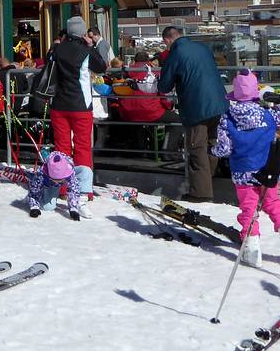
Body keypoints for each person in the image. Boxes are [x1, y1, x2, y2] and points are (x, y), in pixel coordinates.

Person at [211, 71, 280, 267]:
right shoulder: (267, 113)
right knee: (273, 203)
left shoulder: (227, 118)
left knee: (249, 209)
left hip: (243, 171)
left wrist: (213, 149)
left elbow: (225, 149)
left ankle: (252, 250)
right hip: (268, 168)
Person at [157, 26, 228, 202]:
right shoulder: (202, 47)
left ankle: (200, 193)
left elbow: (164, 86)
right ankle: (207, 181)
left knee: (197, 148)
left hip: (197, 107)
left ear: (167, 40)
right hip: (218, 102)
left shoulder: (175, 54)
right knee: (212, 143)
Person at [49, 15, 107, 212]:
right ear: (82, 32)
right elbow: (101, 67)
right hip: (81, 105)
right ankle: (83, 190)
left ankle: (62, 187)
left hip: (59, 104)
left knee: (62, 147)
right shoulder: (86, 50)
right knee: (82, 147)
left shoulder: (57, 49)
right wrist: (90, 45)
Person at [116, 51, 183, 158]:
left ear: (135, 60)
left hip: (128, 111)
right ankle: (167, 151)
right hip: (150, 111)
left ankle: (140, 148)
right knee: (177, 120)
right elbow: (163, 94)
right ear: (148, 60)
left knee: (138, 123)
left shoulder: (125, 71)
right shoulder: (154, 72)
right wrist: (169, 106)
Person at [27, 151, 90, 220]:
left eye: (60, 179)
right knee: (47, 207)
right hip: (50, 186)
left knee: (85, 171)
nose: (58, 181)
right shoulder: (41, 174)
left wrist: (73, 209)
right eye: (55, 179)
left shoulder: (69, 170)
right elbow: (34, 190)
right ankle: (33, 196)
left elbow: (73, 189)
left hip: (64, 176)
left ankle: (80, 202)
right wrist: (34, 207)